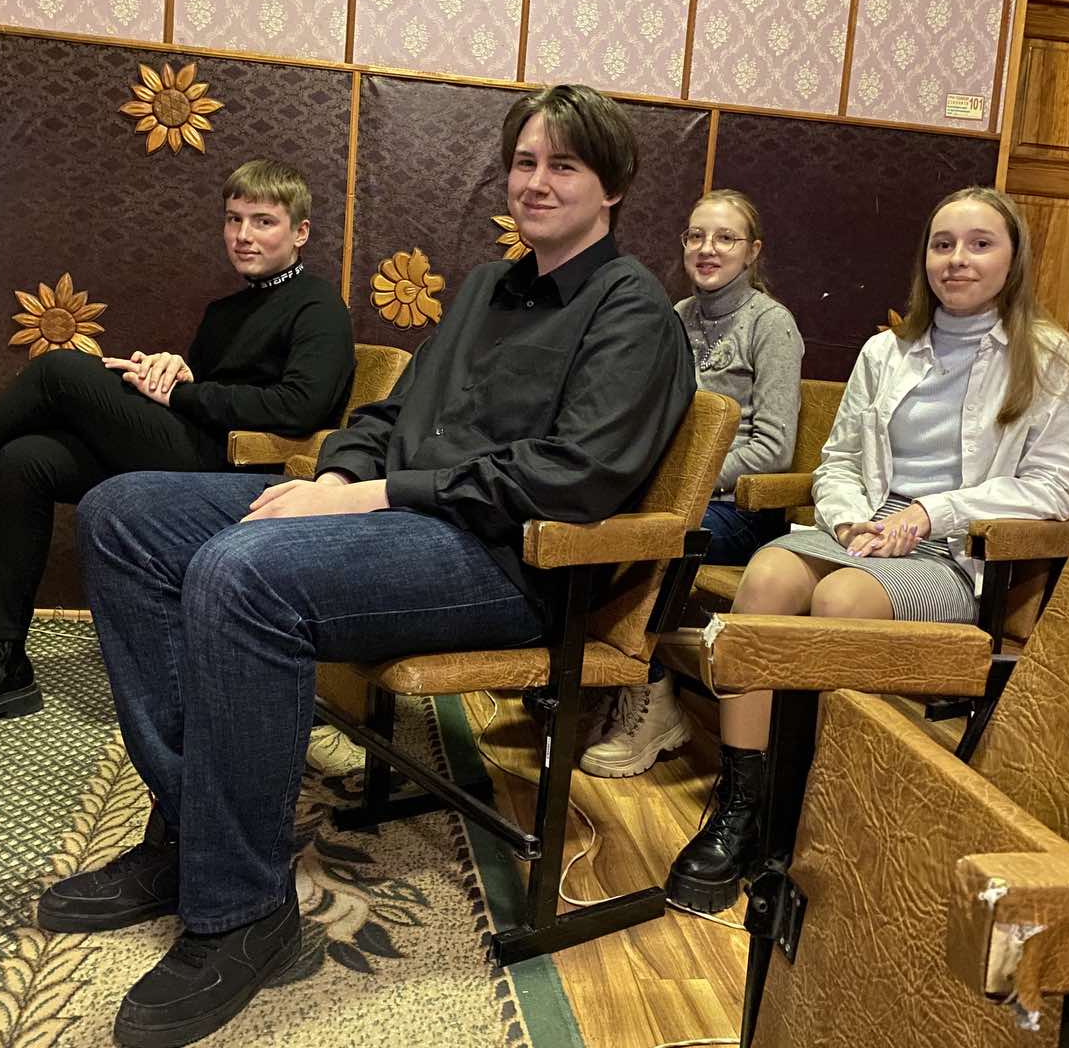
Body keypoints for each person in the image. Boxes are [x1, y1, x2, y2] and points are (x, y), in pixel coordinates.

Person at [36, 84, 694, 1048]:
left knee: (243, 572)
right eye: (524, 162)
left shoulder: (633, 310)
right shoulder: (486, 288)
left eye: (564, 165)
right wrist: (342, 473)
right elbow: (391, 416)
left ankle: (244, 910)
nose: (536, 182)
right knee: (122, 513)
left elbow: (573, 477)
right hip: (401, 521)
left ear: (614, 186)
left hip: (508, 561)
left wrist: (370, 496)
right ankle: (191, 834)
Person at [0, 160, 354, 742]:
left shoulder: (318, 305)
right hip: (193, 445)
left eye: (263, 221)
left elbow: (299, 407)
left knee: (58, 369)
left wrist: (184, 393)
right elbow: (212, 392)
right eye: (233, 219)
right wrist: (169, 372)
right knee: (25, 459)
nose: (243, 235)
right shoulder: (224, 312)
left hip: (239, 471)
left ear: (300, 232)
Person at [665, 185, 1069, 914]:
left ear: (1013, 258)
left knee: (839, 598)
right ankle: (744, 808)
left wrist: (929, 513)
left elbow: (1054, 489)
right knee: (766, 578)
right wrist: (851, 522)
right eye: (942, 244)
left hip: (956, 553)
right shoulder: (886, 350)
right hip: (866, 530)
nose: (957, 260)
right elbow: (837, 462)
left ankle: (814, 813)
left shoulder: (1050, 357)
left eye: (980, 244)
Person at [579, 188, 802, 780]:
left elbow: (773, 451)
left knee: (649, 540)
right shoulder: (676, 316)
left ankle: (652, 703)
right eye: (696, 236)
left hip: (741, 510)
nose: (708, 249)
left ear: (753, 251)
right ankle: (609, 681)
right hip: (675, 498)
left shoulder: (771, 324)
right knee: (589, 521)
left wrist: (688, 485)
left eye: (726, 238)